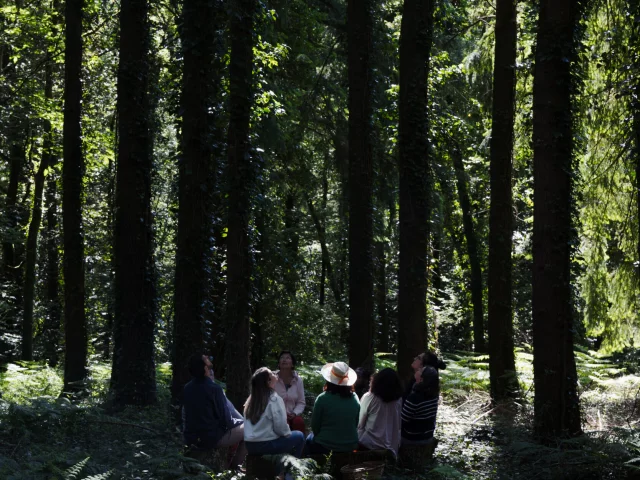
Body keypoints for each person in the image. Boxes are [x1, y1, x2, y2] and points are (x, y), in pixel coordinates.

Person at [182, 355, 247, 469]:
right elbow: (227, 420)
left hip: (191, 438)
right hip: (210, 439)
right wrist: (241, 422)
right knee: (250, 428)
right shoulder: (214, 388)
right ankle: (235, 467)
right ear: (205, 369)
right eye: (207, 363)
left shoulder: (187, 387)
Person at [243, 367, 305, 459]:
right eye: (271, 373)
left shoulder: (251, 400)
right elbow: (281, 429)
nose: (275, 373)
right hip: (266, 445)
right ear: (268, 382)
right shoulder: (274, 399)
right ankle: (291, 470)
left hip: (249, 446)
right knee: (299, 436)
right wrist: (288, 434)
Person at [306, 362, 360, 454]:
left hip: (325, 445)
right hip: (350, 445)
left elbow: (315, 426)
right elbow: (356, 423)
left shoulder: (322, 398)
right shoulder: (355, 398)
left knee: (308, 439)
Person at [357, 368, 403, 457]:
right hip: (391, 448)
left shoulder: (370, 397)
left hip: (368, 445)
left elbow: (360, 423)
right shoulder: (398, 399)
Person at [401, 366, 439, 445]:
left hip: (412, 438)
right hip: (428, 436)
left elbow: (402, 420)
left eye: (420, 370)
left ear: (422, 379)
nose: (418, 370)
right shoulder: (434, 395)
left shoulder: (414, 397)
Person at [273, 351, 306, 433]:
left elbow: (301, 402)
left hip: (292, 414)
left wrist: (294, 413)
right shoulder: (272, 378)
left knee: (299, 422)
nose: (284, 360)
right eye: (282, 358)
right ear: (279, 363)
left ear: (292, 364)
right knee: (283, 424)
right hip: (275, 415)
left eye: (287, 358)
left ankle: (300, 444)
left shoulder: (298, 380)